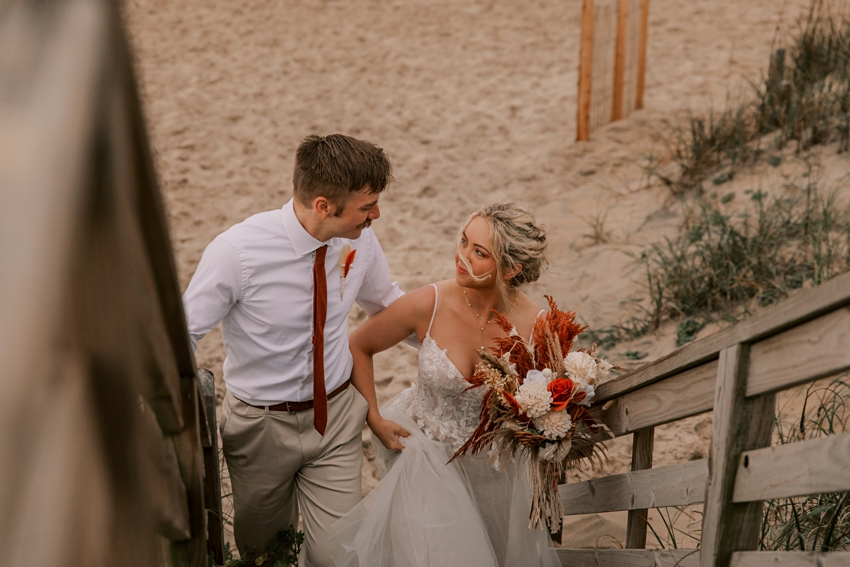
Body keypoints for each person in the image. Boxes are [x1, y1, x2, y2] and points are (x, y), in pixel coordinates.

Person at [182, 134, 410, 566]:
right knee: (264, 554)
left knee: (338, 555)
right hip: (260, 427)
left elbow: (389, 307)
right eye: (367, 207)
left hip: (338, 418)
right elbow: (184, 334)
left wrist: (449, 340)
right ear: (324, 205)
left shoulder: (361, 240)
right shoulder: (236, 252)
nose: (376, 215)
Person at [331, 203, 559, 567]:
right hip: (422, 453)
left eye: (479, 252)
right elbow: (359, 344)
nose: (462, 256)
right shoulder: (430, 302)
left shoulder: (539, 325)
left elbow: (554, 402)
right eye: (464, 241)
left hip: (495, 471)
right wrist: (372, 417)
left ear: (512, 268)